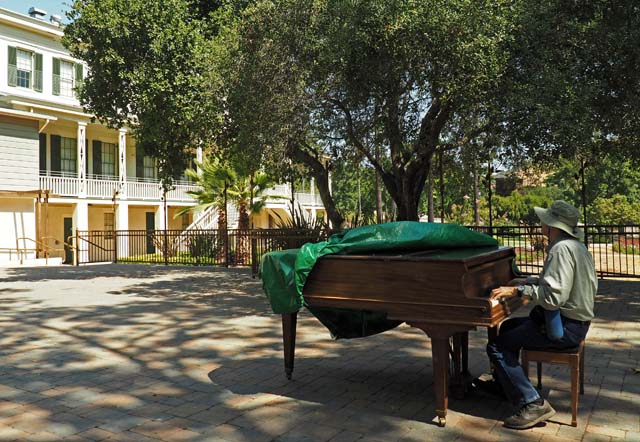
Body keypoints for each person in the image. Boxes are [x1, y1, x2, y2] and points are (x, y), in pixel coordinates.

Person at [483, 200, 598, 430]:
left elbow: (553, 297)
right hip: (576, 322)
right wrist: (527, 281)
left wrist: (517, 290)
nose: (541, 224)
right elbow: (559, 282)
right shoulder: (575, 246)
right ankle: (507, 384)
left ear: (552, 225)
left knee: (496, 347)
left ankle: (533, 402)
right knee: (507, 328)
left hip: (565, 328)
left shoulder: (560, 249)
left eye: (545, 221)